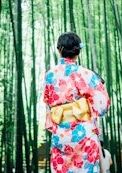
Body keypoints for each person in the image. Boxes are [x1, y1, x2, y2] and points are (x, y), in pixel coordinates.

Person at [43, 32, 110, 173]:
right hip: (85, 134)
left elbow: (48, 105)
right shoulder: (88, 74)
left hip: (60, 136)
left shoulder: (49, 75)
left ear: (59, 50)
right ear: (78, 51)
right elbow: (103, 105)